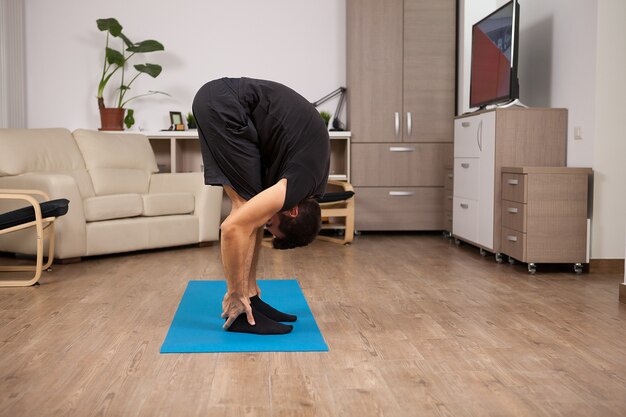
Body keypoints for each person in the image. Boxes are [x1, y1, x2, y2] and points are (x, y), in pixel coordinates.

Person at [192, 77, 330, 335]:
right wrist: (234, 291)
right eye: (272, 226)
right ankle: (239, 306)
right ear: (293, 211)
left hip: (227, 103)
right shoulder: (297, 185)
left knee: (251, 209)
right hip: (225, 105)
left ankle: (251, 298)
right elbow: (232, 228)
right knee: (244, 208)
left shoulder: (310, 186)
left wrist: (249, 287)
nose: (267, 226)